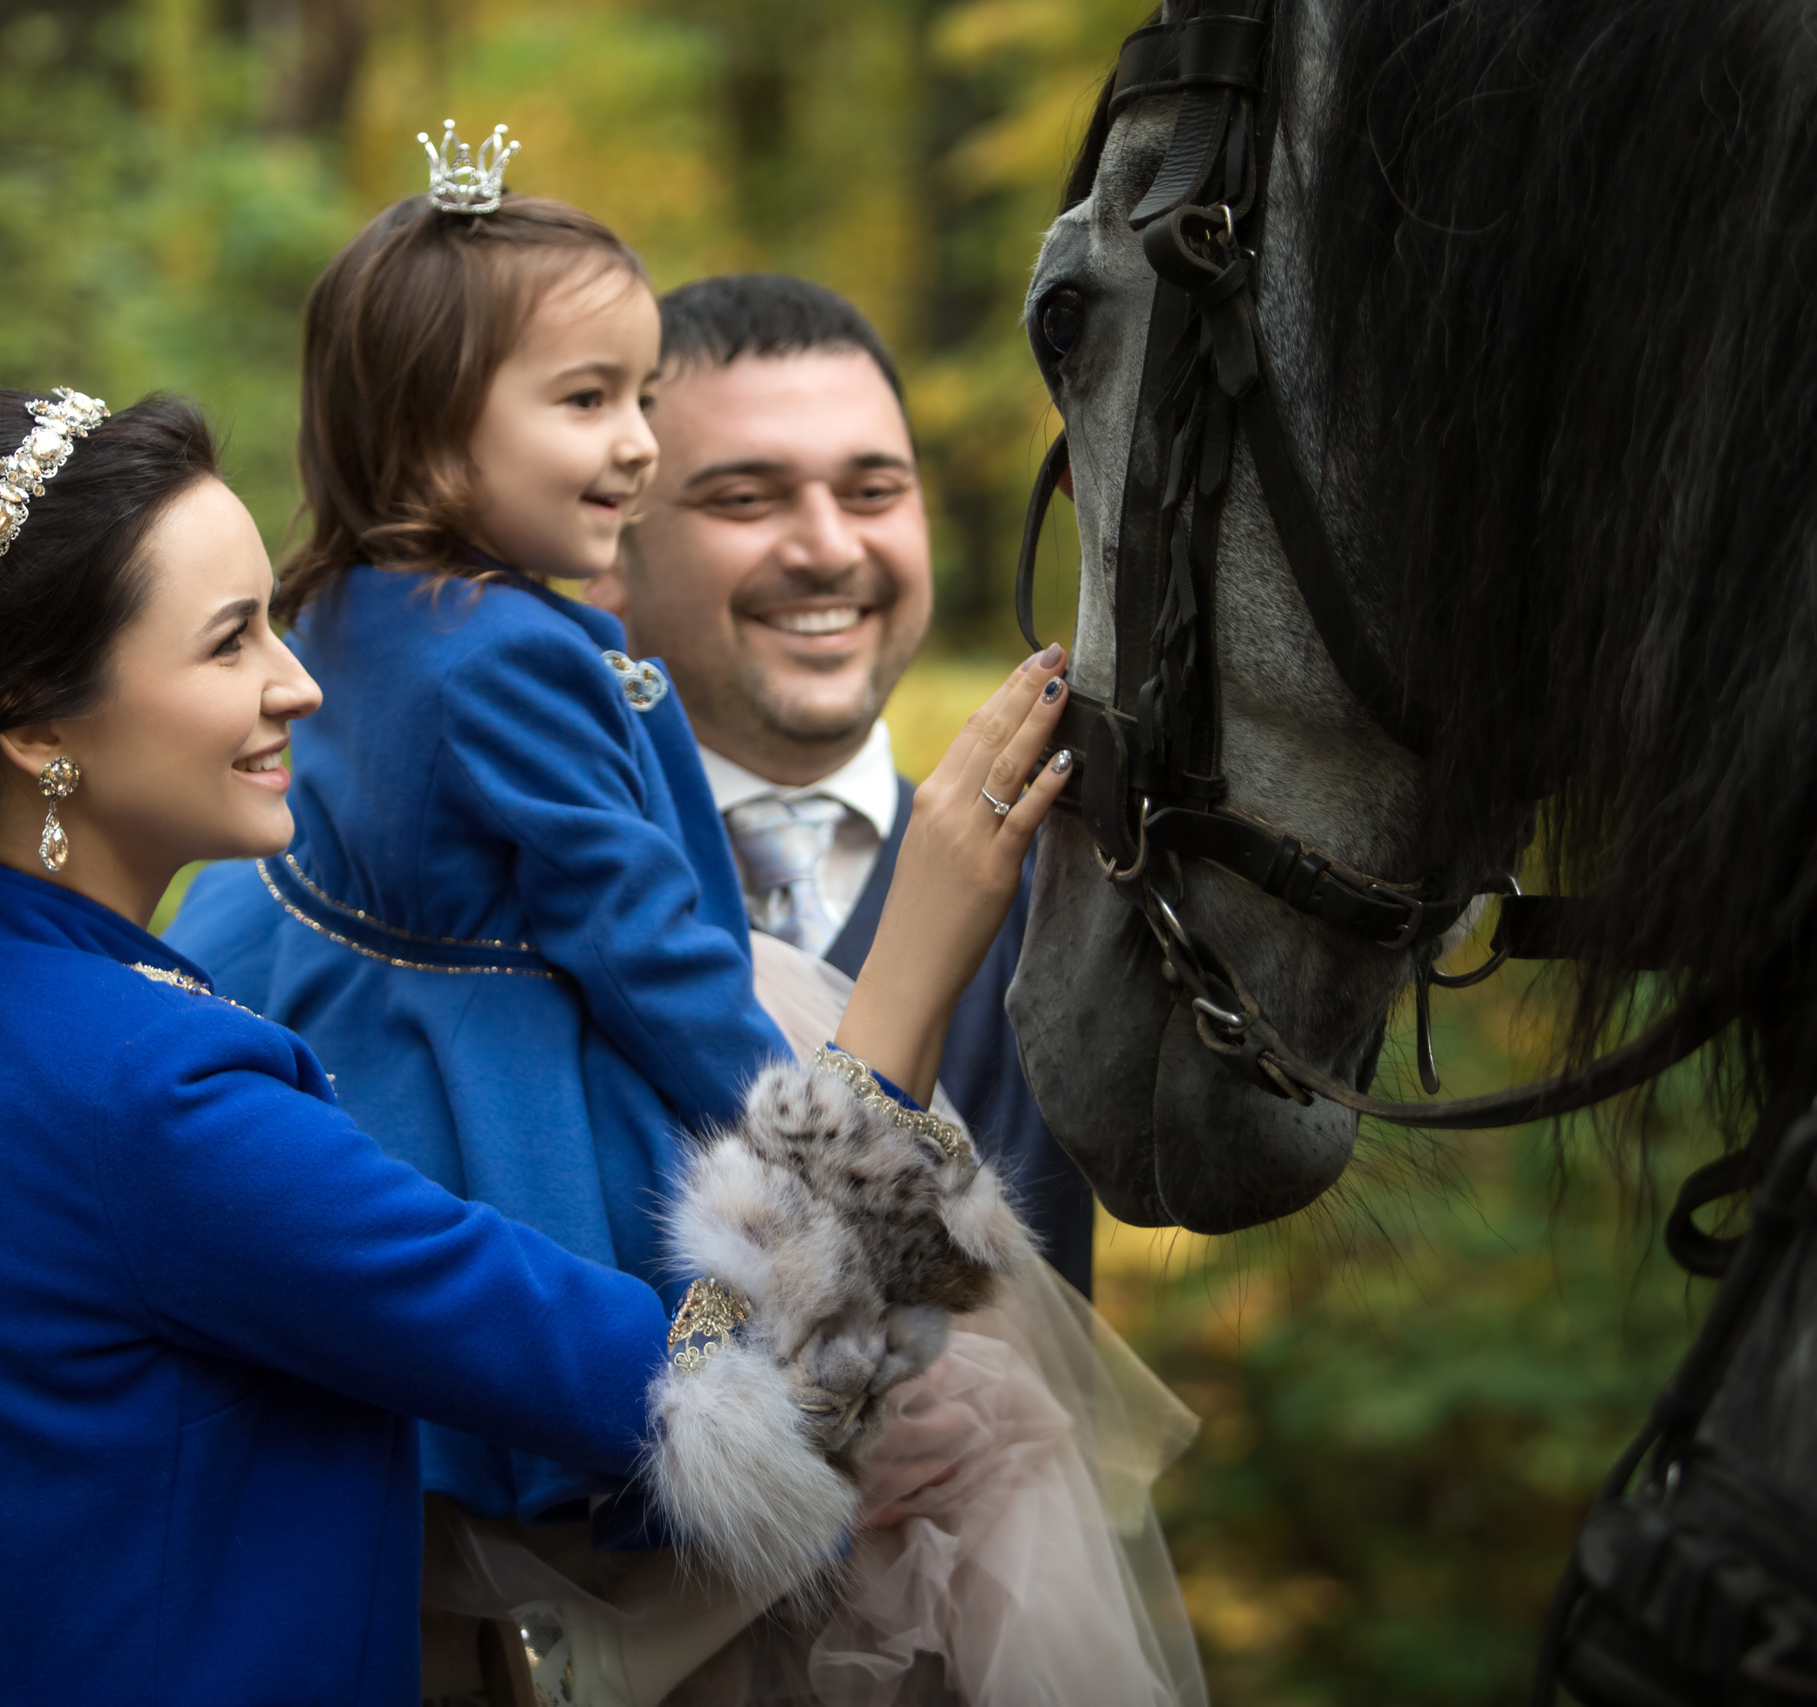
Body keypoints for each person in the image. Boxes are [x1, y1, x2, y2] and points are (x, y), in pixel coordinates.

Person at [0, 382, 1080, 1705]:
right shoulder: (161, 1098)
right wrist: (905, 973)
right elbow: (711, 1390)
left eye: (278, 623)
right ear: (32, 722)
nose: (298, 684)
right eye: (228, 642)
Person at [167, 137, 1198, 1706]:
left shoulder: (350, 621)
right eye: (598, 408)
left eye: (874, 486)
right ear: (434, 440)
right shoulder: (508, 661)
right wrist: (862, 1180)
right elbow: (654, 953)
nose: (633, 446)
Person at [588, 273, 1094, 1296]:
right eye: (743, 498)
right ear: (607, 550)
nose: (827, 548)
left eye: (873, 492)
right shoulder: (535, 901)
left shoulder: (1072, 880)